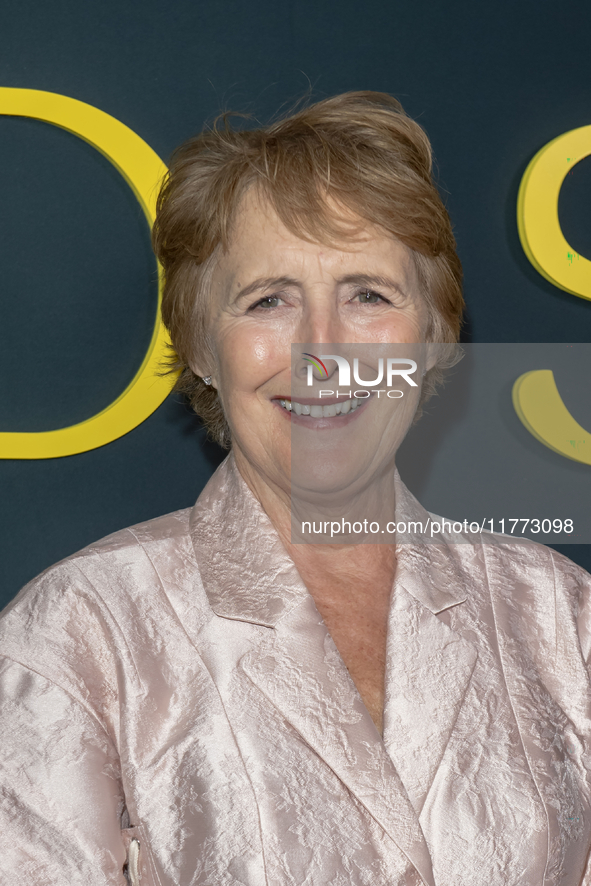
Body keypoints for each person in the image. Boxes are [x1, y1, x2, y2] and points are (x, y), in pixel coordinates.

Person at [1, 91, 590, 886]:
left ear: (433, 336)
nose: (324, 348)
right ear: (203, 345)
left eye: (368, 295)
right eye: (269, 300)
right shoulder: (78, 634)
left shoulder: (560, 617)